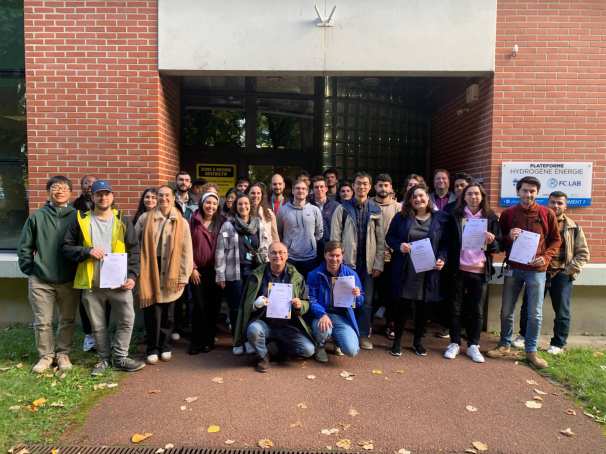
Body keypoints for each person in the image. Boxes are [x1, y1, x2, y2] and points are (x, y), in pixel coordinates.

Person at [62, 180, 145, 375]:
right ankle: (103, 359)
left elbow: (134, 250)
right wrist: (86, 251)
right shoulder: (81, 220)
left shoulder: (123, 220)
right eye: (99, 194)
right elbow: (66, 248)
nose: (103, 197)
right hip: (92, 282)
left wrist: (133, 275)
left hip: (120, 283)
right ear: (92, 197)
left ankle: (120, 357)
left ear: (112, 196)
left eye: (107, 193)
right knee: (98, 325)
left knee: (127, 319)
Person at [487, 176, 561, 369]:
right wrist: (508, 237)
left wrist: (545, 257)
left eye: (532, 191)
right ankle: (504, 344)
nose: (528, 194)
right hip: (513, 268)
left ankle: (531, 351)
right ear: (518, 191)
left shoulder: (547, 214)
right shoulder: (508, 214)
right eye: (525, 190)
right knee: (506, 310)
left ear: (537, 193)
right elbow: (500, 242)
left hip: (537, 270)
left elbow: (555, 240)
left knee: (534, 313)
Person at [17, 176, 80, 373]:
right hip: (41, 279)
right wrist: (31, 269)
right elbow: (24, 246)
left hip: (69, 279)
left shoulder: (78, 217)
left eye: (63, 188)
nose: (59, 191)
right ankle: (45, 356)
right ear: (49, 192)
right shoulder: (37, 217)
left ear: (70, 193)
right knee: (42, 321)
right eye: (55, 187)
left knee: (67, 319)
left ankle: (62, 354)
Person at [515, 191, 590, 355]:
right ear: (547, 203)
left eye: (560, 203)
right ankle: (523, 336)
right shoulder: (539, 221)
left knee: (562, 311)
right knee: (528, 306)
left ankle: (558, 343)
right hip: (537, 272)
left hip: (561, 275)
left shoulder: (573, 227)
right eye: (553, 202)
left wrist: (567, 271)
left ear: (565, 205)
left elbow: (583, 254)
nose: (556, 206)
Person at [386, 184, 450, 357]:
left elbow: (445, 243)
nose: (418, 199)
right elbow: (389, 237)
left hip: (428, 271)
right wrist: (399, 246)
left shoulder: (440, 218)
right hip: (406, 269)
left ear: (428, 198)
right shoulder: (401, 217)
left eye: (421, 196)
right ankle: (397, 342)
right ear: (410, 200)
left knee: (423, 308)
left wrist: (442, 258)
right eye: (414, 197)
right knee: (402, 307)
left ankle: (417, 342)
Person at [235, 241, 315, 373]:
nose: (278, 256)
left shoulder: (297, 277)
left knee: (308, 350)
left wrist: (300, 305)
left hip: (288, 326)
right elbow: (245, 305)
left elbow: (307, 301)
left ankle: (275, 348)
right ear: (268, 255)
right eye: (274, 252)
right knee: (253, 330)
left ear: (287, 255)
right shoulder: (256, 276)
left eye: (281, 252)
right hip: (265, 323)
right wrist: (255, 304)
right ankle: (263, 356)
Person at [135, 185, 194, 364]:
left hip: (172, 271)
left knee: (168, 314)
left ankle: (165, 346)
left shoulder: (181, 221)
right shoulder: (145, 218)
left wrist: (184, 276)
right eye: (160, 195)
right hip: (149, 270)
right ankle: (152, 348)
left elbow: (186, 250)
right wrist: (135, 270)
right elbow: (134, 244)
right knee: (152, 312)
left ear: (173, 197)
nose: (164, 199)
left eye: (167, 195)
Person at [443, 183, 501, 363]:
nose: (474, 197)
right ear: (464, 197)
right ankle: (454, 342)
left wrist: (491, 241)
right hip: (458, 268)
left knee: (476, 309)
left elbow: (498, 246)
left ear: (482, 196)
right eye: (470, 194)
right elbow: (447, 241)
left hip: (479, 269)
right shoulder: (455, 216)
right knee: (455, 307)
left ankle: (473, 345)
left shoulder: (490, 217)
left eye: (477, 194)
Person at [331, 171, 384, 350]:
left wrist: (378, 264)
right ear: (353, 186)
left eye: (365, 184)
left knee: (366, 301)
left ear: (370, 187)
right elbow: (334, 238)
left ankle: (362, 335)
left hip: (368, 265)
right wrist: (337, 262)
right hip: (347, 263)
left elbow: (380, 240)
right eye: (358, 183)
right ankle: (343, 336)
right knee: (344, 300)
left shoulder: (376, 210)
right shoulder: (342, 208)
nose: (361, 187)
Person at [215, 193, 263, 354]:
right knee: (236, 308)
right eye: (240, 204)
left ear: (251, 206)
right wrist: (220, 274)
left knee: (251, 307)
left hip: (254, 272)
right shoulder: (228, 226)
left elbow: (263, 247)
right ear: (236, 206)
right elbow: (221, 250)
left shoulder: (258, 224)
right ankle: (237, 342)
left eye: (246, 204)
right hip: (234, 272)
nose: (243, 207)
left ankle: (248, 340)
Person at [308, 241, 364, 362]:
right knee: (324, 328)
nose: (334, 259)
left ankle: (337, 341)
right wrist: (322, 314)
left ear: (342, 256)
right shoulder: (314, 274)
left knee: (352, 350)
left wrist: (357, 296)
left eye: (337, 255)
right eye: (331, 255)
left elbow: (360, 302)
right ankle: (320, 345)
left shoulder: (351, 275)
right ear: (325, 255)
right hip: (321, 316)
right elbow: (311, 299)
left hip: (341, 316)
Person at [188, 192, 225, 354]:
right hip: (197, 271)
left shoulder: (222, 222)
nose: (211, 206)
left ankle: (209, 340)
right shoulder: (193, 221)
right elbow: (186, 246)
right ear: (202, 203)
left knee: (213, 306)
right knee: (198, 306)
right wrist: (192, 267)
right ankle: (196, 341)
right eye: (208, 203)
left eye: (214, 204)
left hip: (216, 271)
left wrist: (221, 272)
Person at [72, 174, 101, 352]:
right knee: (85, 301)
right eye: (86, 183)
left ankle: (102, 334)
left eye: (92, 183)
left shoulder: (107, 204)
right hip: (84, 259)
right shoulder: (76, 206)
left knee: (103, 300)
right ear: (81, 186)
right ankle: (89, 335)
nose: (89, 186)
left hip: (103, 259)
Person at [373, 174, 402, 340]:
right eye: (380, 185)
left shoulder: (398, 208)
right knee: (371, 292)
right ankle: (367, 323)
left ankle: (390, 324)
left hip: (393, 257)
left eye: (386, 185)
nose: (383, 189)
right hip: (372, 256)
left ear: (391, 188)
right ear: (375, 187)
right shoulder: (369, 205)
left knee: (392, 293)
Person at [278, 179, 323, 279]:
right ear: (293, 191)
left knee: (308, 288)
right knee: (291, 288)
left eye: (303, 189)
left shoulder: (314, 210)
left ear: (307, 192)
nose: (300, 191)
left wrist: (310, 243)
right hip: (290, 257)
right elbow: (279, 232)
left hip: (310, 257)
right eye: (297, 188)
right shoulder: (283, 210)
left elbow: (319, 233)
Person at [248, 182, 280, 262]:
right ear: (248, 195)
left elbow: (275, 236)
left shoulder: (269, 213)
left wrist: (278, 252)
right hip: (248, 255)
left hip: (266, 255)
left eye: (258, 193)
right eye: (253, 193)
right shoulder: (244, 213)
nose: (256, 196)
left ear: (262, 195)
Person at [311, 175, 340, 258]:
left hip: (331, 248)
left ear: (326, 189)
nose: (319, 189)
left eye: (321, 187)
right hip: (313, 248)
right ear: (312, 190)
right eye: (316, 187)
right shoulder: (307, 205)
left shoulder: (336, 206)